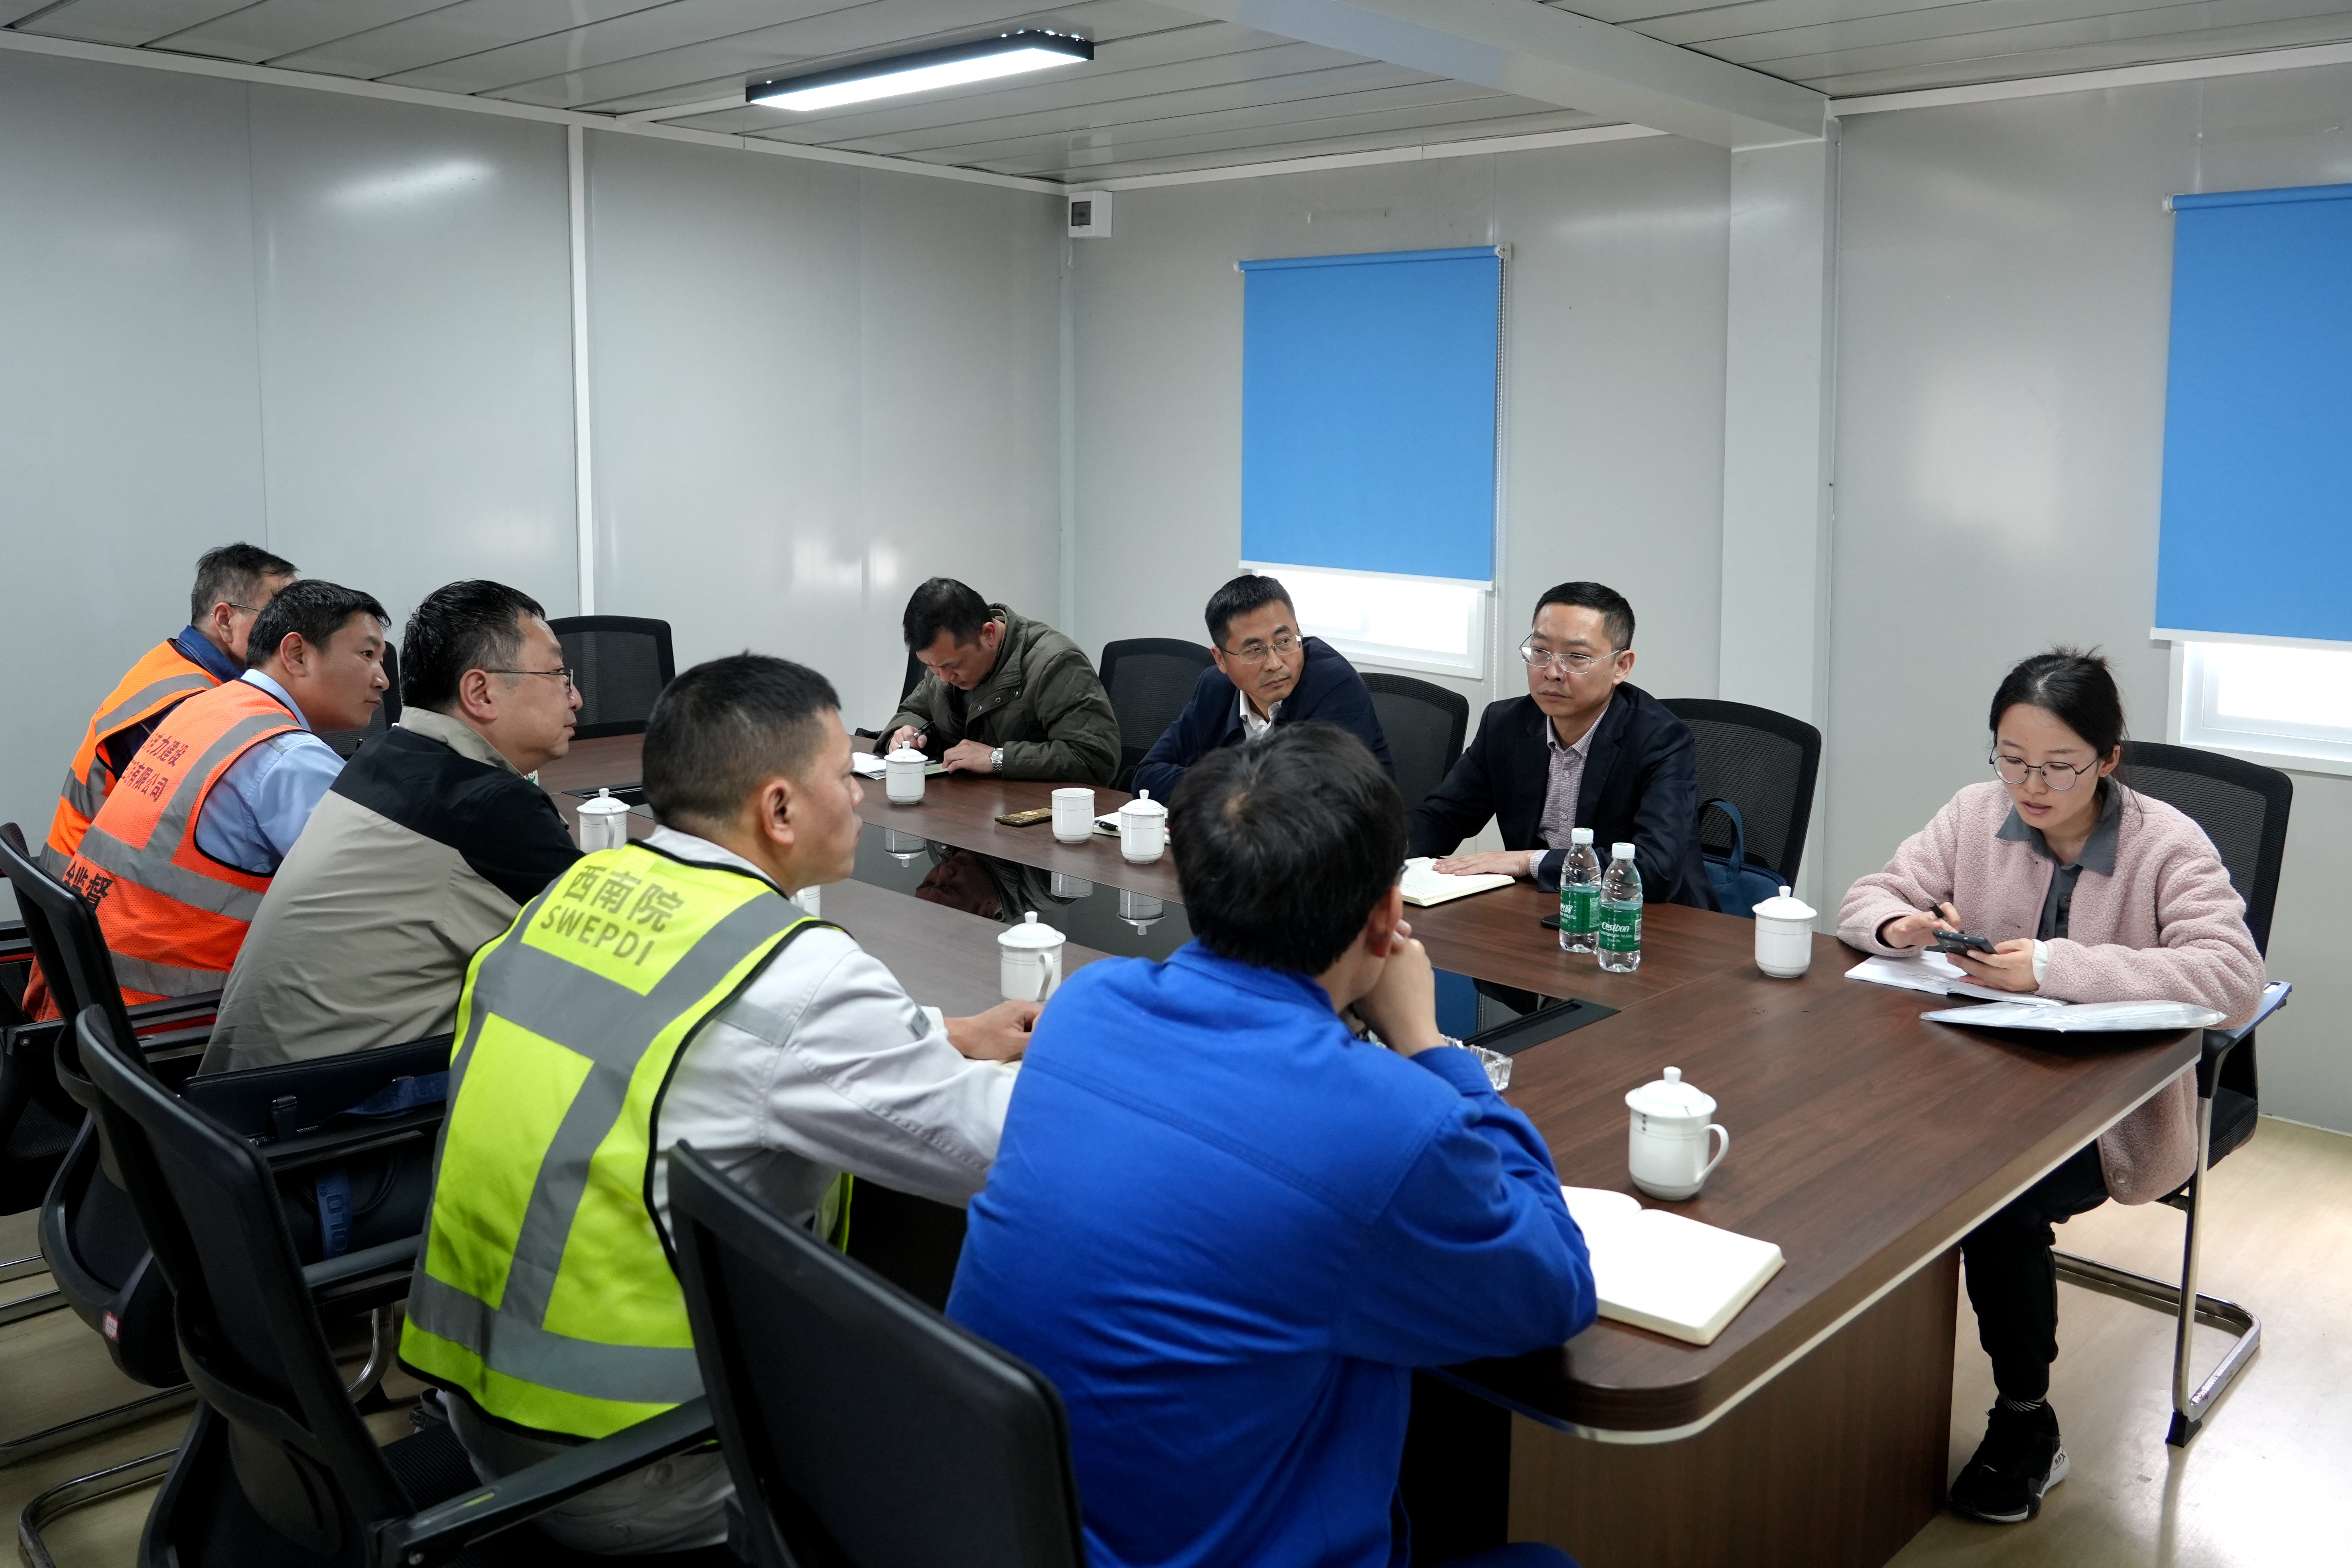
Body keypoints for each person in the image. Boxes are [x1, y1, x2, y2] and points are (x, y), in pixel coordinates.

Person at [398, 654, 1041, 1555]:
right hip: (646, 1462)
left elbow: (717, 1033)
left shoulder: (575, 890)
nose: (858, 794)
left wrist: (946, 1032)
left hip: (489, 1414)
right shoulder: (802, 973)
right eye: (842, 776)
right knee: (1014, 1449)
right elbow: (1006, 1148)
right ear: (778, 809)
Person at [947, 723, 1596, 1568]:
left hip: (1008, 1530)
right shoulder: (1392, 1120)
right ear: (1388, 916)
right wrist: (1431, 1047)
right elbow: (1554, 1287)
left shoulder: (1084, 1005)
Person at [1839, 648, 2263, 1527]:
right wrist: (1900, 923)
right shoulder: (1974, 812)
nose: (2029, 786)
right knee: (1859, 1149)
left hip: (2115, 1106)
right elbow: (1866, 897)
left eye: (2058, 766)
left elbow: (2231, 977)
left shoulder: (2166, 843)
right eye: (2011, 758)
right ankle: (1863, 1392)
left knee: (1993, 1199)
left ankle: (2025, 1420)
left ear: (2108, 759)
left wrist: (2052, 968)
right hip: (1973, 1075)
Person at [201, 582, 587, 1073]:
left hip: (247, 1089)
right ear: (480, 692)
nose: (576, 698)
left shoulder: (386, 756)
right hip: (345, 1104)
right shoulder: (484, 806)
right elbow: (610, 951)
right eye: (557, 674)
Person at [49, 580, 387, 1009]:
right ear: (297, 654)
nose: (383, 679)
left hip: (90, 1007)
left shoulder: (206, 706)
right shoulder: (287, 757)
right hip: (172, 1020)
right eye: (367, 655)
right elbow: (374, 903)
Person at [1410, 581, 1712, 908]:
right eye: (1540, 652)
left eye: (1576, 657)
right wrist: (1379, 859)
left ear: (1621, 667)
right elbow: (1442, 819)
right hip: (1542, 906)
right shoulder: (1505, 725)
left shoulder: (1661, 738)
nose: (1552, 672)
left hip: (1644, 916)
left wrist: (1527, 861)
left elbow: (1656, 869)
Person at [41, 542, 297, 875]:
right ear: (225, 619)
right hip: (92, 886)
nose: (295, 632)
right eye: (279, 617)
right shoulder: (187, 704)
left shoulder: (174, 662)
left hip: (81, 876)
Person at [1129, 571, 1393, 798]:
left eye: (1285, 641)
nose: (1275, 663)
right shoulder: (1214, 688)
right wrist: (1237, 787)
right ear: (1221, 659)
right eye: (1254, 650)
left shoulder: (1335, 685)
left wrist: (1217, 787)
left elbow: (1313, 800)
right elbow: (1147, 777)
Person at [877, 577, 1119, 784]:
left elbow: (1094, 758)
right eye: (931, 667)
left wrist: (998, 759)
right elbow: (913, 712)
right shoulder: (944, 664)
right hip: (964, 806)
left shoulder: (1055, 664)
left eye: (952, 666)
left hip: (1036, 813)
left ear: (989, 634)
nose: (945, 679)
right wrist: (901, 736)